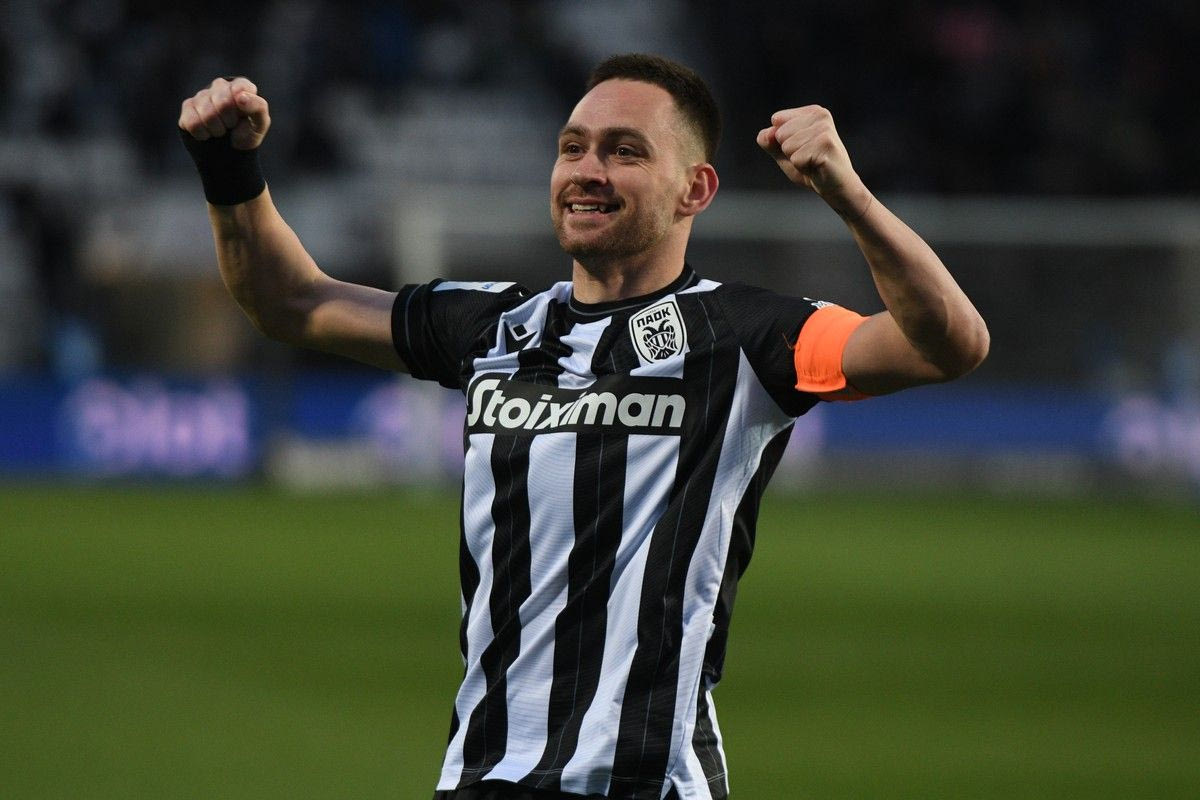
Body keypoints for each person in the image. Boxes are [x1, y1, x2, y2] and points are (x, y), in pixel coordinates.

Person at [179, 53, 988, 800]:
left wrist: (847, 194)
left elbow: (946, 344)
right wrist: (228, 166)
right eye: (573, 148)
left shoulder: (743, 335)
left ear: (695, 190)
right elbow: (291, 302)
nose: (587, 170)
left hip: (646, 782)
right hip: (482, 778)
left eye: (625, 151)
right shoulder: (495, 328)